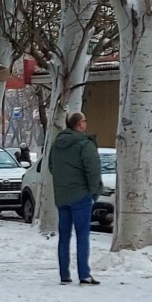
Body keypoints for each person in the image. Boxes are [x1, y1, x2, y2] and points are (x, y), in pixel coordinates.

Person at [49, 112, 103, 285]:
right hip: (81, 195)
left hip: (62, 196)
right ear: (79, 124)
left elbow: (51, 166)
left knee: (64, 236)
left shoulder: (56, 145)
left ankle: (64, 274)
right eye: (85, 121)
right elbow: (93, 171)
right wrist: (94, 192)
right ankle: (84, 274)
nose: (86, 124)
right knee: (82, 235)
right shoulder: (84, 144)